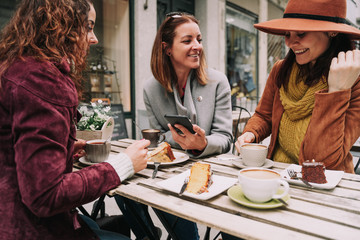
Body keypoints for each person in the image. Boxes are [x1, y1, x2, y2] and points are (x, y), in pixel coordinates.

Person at [0, 0, 150, 239]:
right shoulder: (43, 81)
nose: (94, 38)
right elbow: (45, 195)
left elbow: (14, 156)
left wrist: (65, 150)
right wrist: (123, 165)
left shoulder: (15, 68)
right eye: (88, 27)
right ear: (61, 27)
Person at [116, 12, 235, 240]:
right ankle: (149, 236)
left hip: (210, 170)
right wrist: (178, 139)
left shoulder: (217, 82)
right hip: (170, 169)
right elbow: (157, 139)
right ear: (167, 48)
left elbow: (225, 138)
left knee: (173, 203)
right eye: (187, 40)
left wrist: (203, 143)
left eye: (199, 39)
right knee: (123, 187)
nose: (197, 46)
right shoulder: (151, 88)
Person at [235, 0, 360, 174]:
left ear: (332, 32)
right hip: (278, 173)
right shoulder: (280, 69)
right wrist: (251, 133)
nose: (290, 43)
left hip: (329, 188)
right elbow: (264, 115)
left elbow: (322, 163)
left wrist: (337, 92)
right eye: (287, 34)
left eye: (301, 33)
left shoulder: (355, 80)